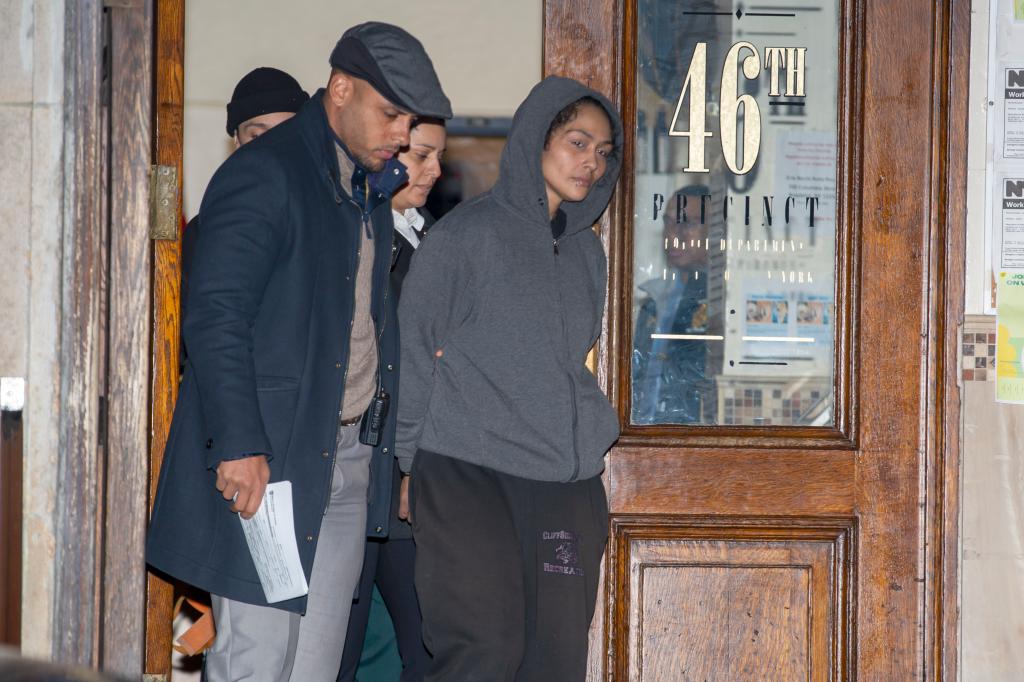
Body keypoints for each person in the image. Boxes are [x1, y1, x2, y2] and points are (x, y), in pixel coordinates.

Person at [145, 22, 451, 682]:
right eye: (391, 112)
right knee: (258, 662)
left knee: (313, 669)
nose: (401, 134)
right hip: (272, 464)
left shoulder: (364, 186)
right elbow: (216, 318)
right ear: (341, 89)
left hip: (344, 461)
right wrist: (238, 446)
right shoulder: (268, 173)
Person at [396, 76, 622, 681]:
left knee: (555, 664)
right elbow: (415, 349)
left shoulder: (586, 254)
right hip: (467, 471)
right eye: (577, 142)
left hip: (563, 484)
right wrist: (407, 462)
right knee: (482, 652)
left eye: (603, 152)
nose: (591, 163)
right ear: (534, 141)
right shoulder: (464, 237)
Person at [338, 117, 446, 682]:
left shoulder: (432, 240)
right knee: (341, 645)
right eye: (421, 156)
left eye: (437, 158)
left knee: (431, 645)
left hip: (409, 478)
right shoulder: (359, 232)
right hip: (362, 467)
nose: (433, 171)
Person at [180, 67, 309, 361]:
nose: (273, 149)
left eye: (285, 134)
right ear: (236, 142)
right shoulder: (206, 232)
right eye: (258, 136)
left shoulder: (333, 218)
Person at [632, 184, 713, 424]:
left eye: (687, 223)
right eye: (668, 222)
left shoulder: (723, 301)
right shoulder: (654, 301)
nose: (673, 233)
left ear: (716, 230)